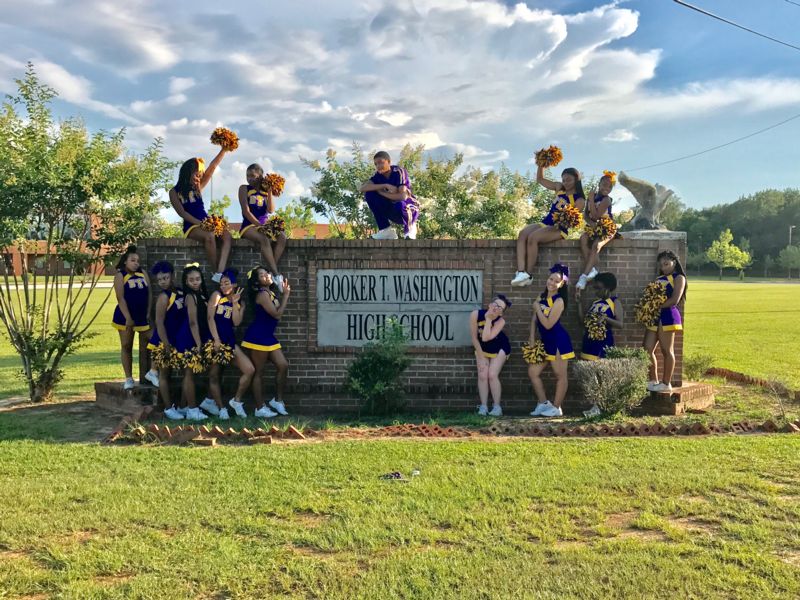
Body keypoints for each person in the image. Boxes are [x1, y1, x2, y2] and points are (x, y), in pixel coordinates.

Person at [511, 165, 586, 287]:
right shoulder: (559, 187)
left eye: (569, 180)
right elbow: (540, 179)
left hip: (559, 228)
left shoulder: (579, 199)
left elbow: (572, 221)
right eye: (564, 180)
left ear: (576, 180)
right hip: (545, 222)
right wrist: (541, 164)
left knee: (533, 238)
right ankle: (520, 272)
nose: (565, 183)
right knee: (523, 234)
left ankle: (528, 274)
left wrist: (562, 220)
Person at [169, 150, 232, 282]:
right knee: (209, 236)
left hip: (206, 223)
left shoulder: (198, 187)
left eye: (200, 175)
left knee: (227, 235)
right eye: (196, 175)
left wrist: (224, 150)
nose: (199, 178)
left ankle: (220, 271)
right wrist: (200, 224)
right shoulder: (174, 192)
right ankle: (215, 271)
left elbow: (212, 167)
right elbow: (182, 213)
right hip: (192, 226)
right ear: (187, 173)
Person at [242, 267, 292, 418]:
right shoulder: (263, 294)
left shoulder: (270, 293)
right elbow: (276, 314)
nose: (267, 276)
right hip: (257, 337)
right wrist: (286, 296)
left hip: (268, 336)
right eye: (262, 275)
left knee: (283, 366)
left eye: (267, 273)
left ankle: (278, 400)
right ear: (257, 281)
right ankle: (259, 407)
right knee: (259, 373)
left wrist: (282, 294)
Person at [207, 270, 255, 418]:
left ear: (234, 284)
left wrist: (234, 303)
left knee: (249, 370)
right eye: (221, 283)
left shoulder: (240, 302)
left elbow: (236, 322)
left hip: (229, 342)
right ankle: (221, 409)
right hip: (215, 341)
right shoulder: (217, 296)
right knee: (214, 375)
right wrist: (216, 340)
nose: (223, 286)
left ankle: (236, 400)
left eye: (226, 283)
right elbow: (210, 318)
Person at [529, 264, 574, 418]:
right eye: (550, 279)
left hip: (558, 341)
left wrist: (537, 308)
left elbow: (548, 324)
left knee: (560, 375)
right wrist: (532, 337)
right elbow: (535, 320)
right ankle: (543, 403)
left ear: (562, 284)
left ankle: (556, 407)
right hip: (545, 342)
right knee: (533, 372)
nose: (552, 283)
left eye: (556, 281)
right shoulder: (541, 298)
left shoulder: (559, 301)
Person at [111, 245, 159, 390]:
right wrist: (127, 317)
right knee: (126, 346)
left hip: (141, 316)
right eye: (133, 260)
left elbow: (149, 293)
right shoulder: (120, 275)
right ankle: (129, 378)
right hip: (125, 316)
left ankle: (153, 371)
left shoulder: (142, 273)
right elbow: (120, 298)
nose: (136, 263)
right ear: (125, 261)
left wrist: (147, 312)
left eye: (137, 260)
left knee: (157, 341)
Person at [577, 272, 624, 417]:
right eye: (594, 288)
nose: (596, 291)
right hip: (589, 341)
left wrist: (606, 319)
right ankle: (595, 406)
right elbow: (583, 321)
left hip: (603, 342)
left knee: (601, 374)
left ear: (608, 288)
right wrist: (578, 303)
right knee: (591, 375)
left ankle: (600, 407)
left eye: (598, 288)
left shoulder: (615, 301)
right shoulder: (595, 303)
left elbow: (620, 324)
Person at [146, 261, 187, 420]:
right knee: (164, 374)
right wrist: (166, 344)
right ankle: (169, 408)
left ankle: (182, 406)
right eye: (159, 279)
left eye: (165, 278)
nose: (162, 281)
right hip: (164, 340)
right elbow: (159, 323)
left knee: (185, 372)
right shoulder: (163, 297)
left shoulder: (181, 292)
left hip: (179, 339)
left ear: (173, 276)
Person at [173, 263, 213, 421]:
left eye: (198, 279)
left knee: (190, 374)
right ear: (186, 281)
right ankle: (192, 409)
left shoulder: (200, 294)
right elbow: (192, 322)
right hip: (188, 338)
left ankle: (183, 407)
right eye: (191, 280)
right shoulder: (190, 296)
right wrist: (198, 344)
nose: (195, 282)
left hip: (196, 337)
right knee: (189, 373)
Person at [643, 250, 687, 393]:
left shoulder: (679, 277)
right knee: (647, 349)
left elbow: (675, 299)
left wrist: (655, 305)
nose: (664, 267)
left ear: (674, 262)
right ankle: (653, 381)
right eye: (661, 265)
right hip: (655, 315)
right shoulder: (659, 278)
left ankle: (666, 382)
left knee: (666, 350)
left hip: (668, 315)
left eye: (667, 263)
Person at [239, 164, 286, 290]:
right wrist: (259, 226)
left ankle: (269, 270)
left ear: (260, 177)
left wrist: (270, 190)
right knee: (264, 239)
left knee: (282, 236)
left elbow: (270, 210)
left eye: (253, 176)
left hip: (265, 226)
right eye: (248, 176)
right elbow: (246, 211)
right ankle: (276, 275)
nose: (250, 179)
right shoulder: (244, 188)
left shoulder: (266, 192)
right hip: (249, 226)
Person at [359, 150, 419, 240]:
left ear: (389, 162)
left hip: (409, 208)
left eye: (381, 163)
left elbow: (402, 197)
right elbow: (363, 188)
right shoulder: (378, 176)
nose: (378, 166)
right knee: (370, 194)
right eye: (376, 164)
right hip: (392, 210)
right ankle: (386, 231)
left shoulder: (399, 172)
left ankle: (410, 230)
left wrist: (382, 192)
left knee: (400, 203)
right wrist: (385, 185)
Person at [469, 295, 512, 417]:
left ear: (501, 313)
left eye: (500, 308)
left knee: (492, 375)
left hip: (499, 346)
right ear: (489, 305)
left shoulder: (500, 321)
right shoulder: (475, 315)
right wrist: (481, 358)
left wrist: (488, 319)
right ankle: (483, 406)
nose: (496, 308)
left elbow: (486, 337)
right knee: (482, 374)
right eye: (496, 305)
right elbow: (474, 338)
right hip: (482, 347)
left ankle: (497, 407)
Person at [576, 173, 615, 291]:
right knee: (583, 238)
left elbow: (596, 215)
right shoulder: (592, 197)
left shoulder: (607, 199)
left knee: (596, 245)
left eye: (609, 187)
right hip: (594, 227)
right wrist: (592, 224)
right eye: (604, 185)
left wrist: (591, 199)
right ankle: (592, 269)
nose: (606, 188)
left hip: (607, 228)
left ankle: (583, 276)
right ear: (599, 184)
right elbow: (586, 215)